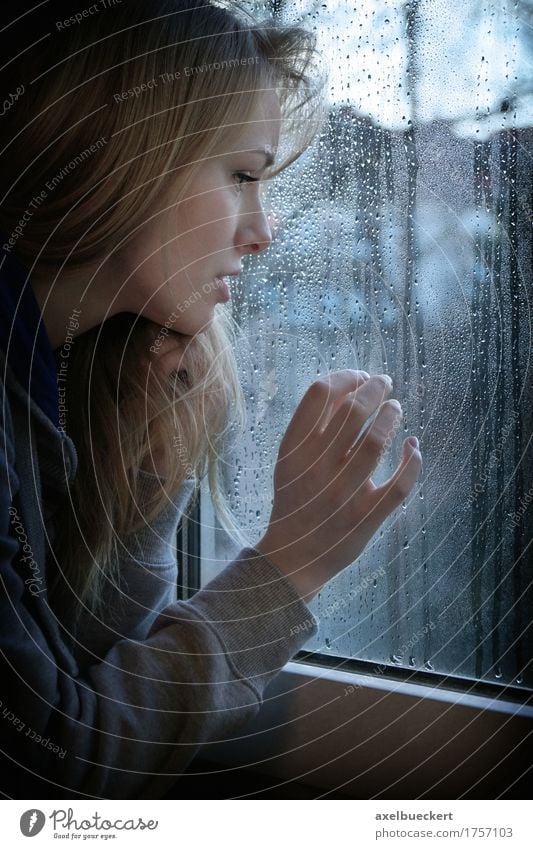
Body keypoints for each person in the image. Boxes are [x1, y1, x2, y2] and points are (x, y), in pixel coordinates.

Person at [0, 0, 422, 799]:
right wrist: (287, 567)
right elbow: (45, 769)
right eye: (240, 175)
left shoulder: (71, 372)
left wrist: (150, 458)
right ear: (116, 155)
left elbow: (90, 674)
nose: (262, 232)